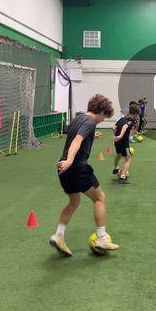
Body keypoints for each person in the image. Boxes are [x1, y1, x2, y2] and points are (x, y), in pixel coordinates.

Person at [50, 94, 119, 257]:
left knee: (74, 201)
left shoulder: (79, 118)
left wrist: (90, 135)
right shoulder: (89, 122)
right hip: (76, 168)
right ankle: (101, 238)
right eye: (104, 116)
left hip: (63, 170)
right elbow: (77, 141)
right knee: (100, 198)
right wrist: (70, 160)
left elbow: (76, 135)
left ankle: (58, 236)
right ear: (100, 111)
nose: (103, 120)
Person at [112, 102, 140, 184]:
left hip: (117, 143)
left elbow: (114, 128)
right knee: (128, 159)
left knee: (119, 155)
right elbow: (125, 126)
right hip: (124, 144)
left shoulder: (121, 119)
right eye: (137, 115)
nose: (137, 116)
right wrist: (120, 136)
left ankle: (116, 167)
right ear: (135, 114)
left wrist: (116, 136)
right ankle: (122, 178)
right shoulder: (130, 121)